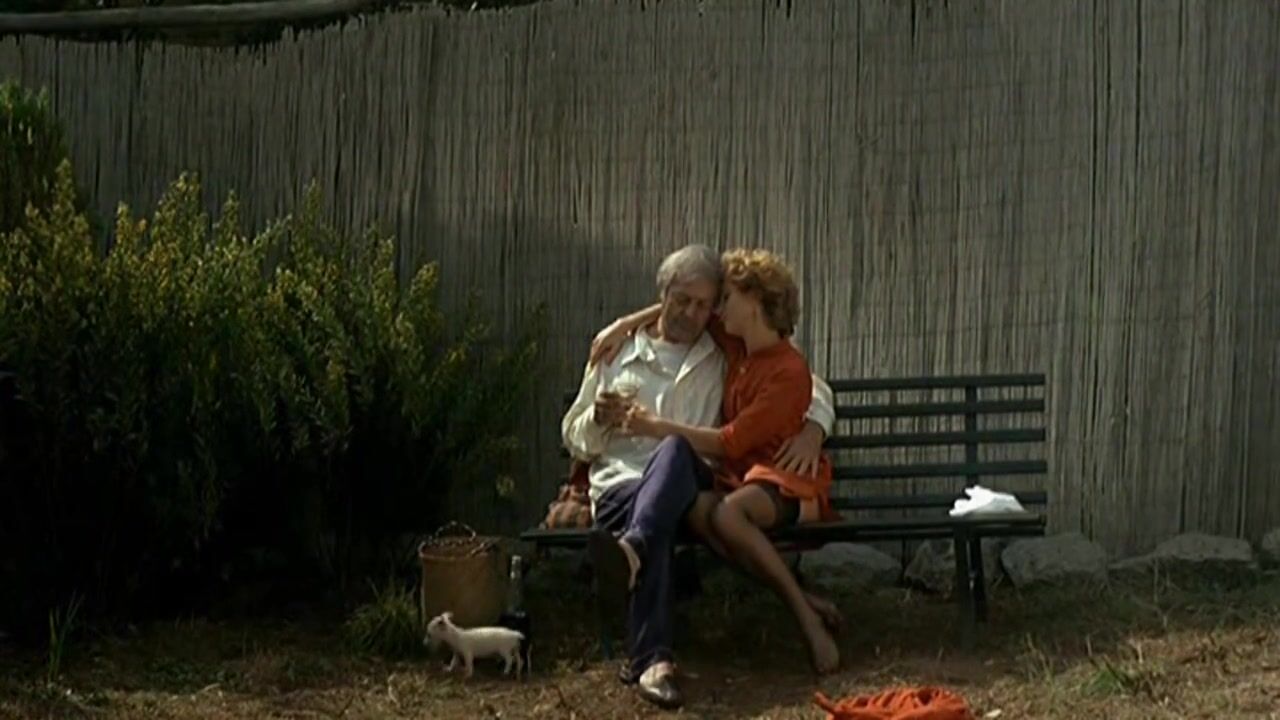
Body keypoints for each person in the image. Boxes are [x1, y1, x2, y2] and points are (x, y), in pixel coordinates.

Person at [561, 244, 837, 709]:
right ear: (663, 295)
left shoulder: (723, 347)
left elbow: (809, 384)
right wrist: (597, 419)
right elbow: (574, 437)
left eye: (704, 304)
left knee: (673, 453)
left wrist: (814, 429)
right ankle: (652, 650)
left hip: (692, 483)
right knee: (656, 515)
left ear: (716, 307)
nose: (692, 313)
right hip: (623, 485)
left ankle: (649, 645)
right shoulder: (616, 352)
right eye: (682, 301)